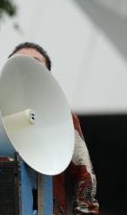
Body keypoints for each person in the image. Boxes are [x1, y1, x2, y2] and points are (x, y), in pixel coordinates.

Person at [10, 42, 99, 215]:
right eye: (19, 62)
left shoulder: (63, 118)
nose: (27, 67)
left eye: (35, 63)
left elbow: (84, 174)